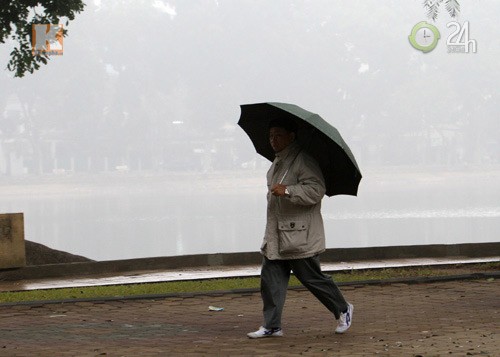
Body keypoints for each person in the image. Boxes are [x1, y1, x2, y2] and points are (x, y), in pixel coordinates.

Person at [247, 117, 353, 339]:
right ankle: (272, 325)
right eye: (270, 136)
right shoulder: (279, 161)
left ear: (291, 136)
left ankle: (343, 308)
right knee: (271, 281)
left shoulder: (303, 159)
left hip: (298, 235)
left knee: (312, 278)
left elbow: (316, 190)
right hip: (277, 233)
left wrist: (288, 191)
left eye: (278, 135)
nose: (273, 140)